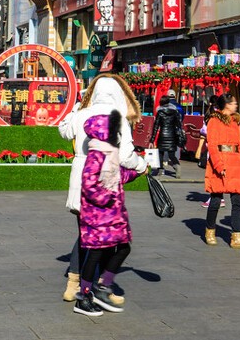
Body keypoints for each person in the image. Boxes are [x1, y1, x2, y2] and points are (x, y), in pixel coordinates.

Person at [58, 74, 146, 302]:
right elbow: (126, 156)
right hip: (106, 178)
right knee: (107, 234)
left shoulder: (81, 115)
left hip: (80, 177)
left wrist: (76, 108)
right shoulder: (119, 118)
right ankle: (97, 285)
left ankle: (75, 283)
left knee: (86, 233)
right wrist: (142, 166)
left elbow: (64, 131)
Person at [72, 111, 143, 317]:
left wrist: (137, 172)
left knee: (123, 248)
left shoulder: (109, 154)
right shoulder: (97, 155)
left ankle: (102, 287)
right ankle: (84, 296)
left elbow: (118, 175)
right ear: (104, 132)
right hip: (98, 216)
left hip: (112, 216)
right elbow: (89, 184)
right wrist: (107, 199)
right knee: (96, 254)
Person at [203, 94, 240, 249]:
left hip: (236, 162)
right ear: (226, 105)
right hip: (221, 161)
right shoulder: (214, 121)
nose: (236, 106)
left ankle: (236, 236)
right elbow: (212, 145)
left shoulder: (236, 121)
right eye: (234, 103)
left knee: (238, 201)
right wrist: (218, 165)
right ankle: (210, 230)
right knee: (216, 199)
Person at [150, 95, 184, 178]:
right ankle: (177, 167)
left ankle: (160, 170)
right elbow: (179, 125)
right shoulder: (175, 112)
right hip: (172, 135)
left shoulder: (160, 113)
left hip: (163, 135)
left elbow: (155, 127)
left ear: (161, 103)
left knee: (160, 153)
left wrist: (152, 140)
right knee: (172, 154)